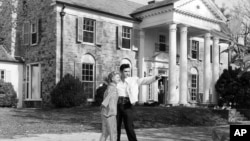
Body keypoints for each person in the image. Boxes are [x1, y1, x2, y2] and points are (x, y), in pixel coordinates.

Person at [117, 64, 161, 141]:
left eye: (129, 71)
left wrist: (154, 78)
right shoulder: (117, 82)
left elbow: (144, 80)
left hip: (128, 106)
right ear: (121, 72)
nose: (128, 73)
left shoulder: (133, 80)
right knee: (116, 127)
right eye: (125, 71)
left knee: (129, 127)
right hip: (117, 106)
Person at [99, 71, 120, 141]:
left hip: (104, 113)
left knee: (105, 134)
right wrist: (112, 113)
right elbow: (109, 101)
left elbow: (105, 101)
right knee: (113, 134)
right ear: (112, 78)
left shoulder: (108, 88)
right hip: (110, 114)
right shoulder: (113, 89)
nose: (119, 78)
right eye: (117, 77)